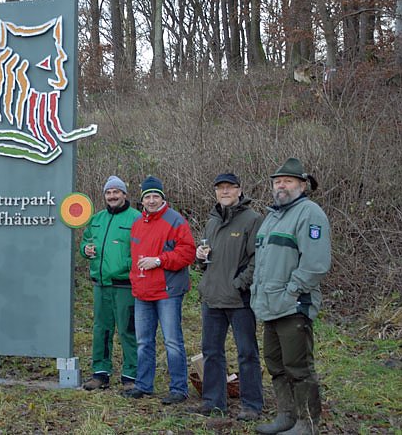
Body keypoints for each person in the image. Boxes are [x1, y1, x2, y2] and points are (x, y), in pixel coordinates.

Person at [251, 158, 331, 435]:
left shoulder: (310, 214)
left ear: (302, 185)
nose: (281, 186)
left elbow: (316, 264)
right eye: (277, 182)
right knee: (276, 365)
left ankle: (307, 422)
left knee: (298, 367)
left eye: (287, 181)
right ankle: (286, 416)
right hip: (269, 305)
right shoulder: (272, 217)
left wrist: (291, 292)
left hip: (293, 306)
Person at [194, 173, 263, 419]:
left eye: (229, 187)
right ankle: (213, 402)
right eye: (220, 188)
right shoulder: (212, 221)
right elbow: (206, 258)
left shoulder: (253, 220)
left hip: (239, 299)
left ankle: (252, 405)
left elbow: (258, 259)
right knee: (211, 352)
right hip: (212, 297)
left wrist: (240, 284)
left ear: (239, 191)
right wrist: (200, 257)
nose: (224, 192)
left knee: (247, 353)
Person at [123, 176, 196, 403]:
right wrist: (135, 280)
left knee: (172, 341)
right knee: (143, 341)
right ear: (142, 199)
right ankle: (144, 385)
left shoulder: (175, 221)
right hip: (143, 292)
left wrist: (159, 260)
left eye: (156, 196)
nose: (152, 201)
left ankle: (178, 388)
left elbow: (188, 253)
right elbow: (134, 258)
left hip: (167, 291)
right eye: (148, 197)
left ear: (163, 198)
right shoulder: (138, 223)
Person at [79, 175, 141, 391]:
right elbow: (85, 241)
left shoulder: (136, 219)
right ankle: (100, 373)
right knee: (101, 329)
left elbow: (142, 249)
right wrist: (85, 249)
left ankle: (131, 375)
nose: (112, 196)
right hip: (101, 284)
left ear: (124, 194)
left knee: (127, 330)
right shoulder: (97, 219)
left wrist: (125, 265)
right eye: (108, 192)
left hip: (124, 285)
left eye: (116, 192)